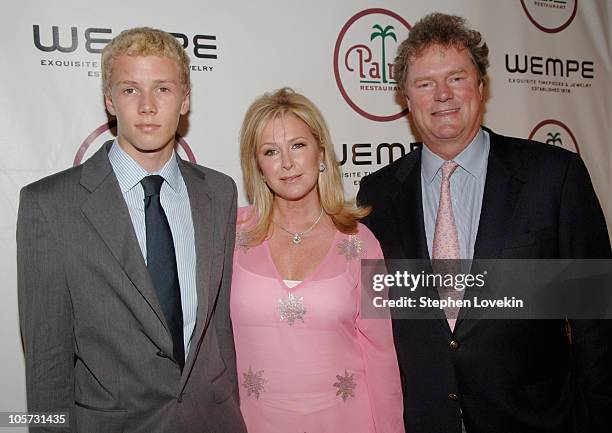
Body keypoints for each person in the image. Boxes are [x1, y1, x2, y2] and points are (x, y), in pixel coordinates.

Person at [357, 12, 612, 433]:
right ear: (406, 98)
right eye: (424, 83)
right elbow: (379, 325)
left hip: (535, 420)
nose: (442, 95)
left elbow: (596, 326)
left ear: (481, 85)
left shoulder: (553, 177)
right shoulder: (377, 195)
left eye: (456, 77)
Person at [17, 27, 246, 433]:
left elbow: (219, 329)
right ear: (109, 100)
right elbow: (46, 361)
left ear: (185, 98)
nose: (146, 107)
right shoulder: (49, 205)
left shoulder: (220, 192)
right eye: (129, 90)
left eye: (162, 89)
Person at [231, 87, 404, 433]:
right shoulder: (231, 234)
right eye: (270, 151)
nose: (287, 163)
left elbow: (382, 355)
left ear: (320, 151)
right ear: (258, 166)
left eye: (298, 145)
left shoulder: (360, 242)